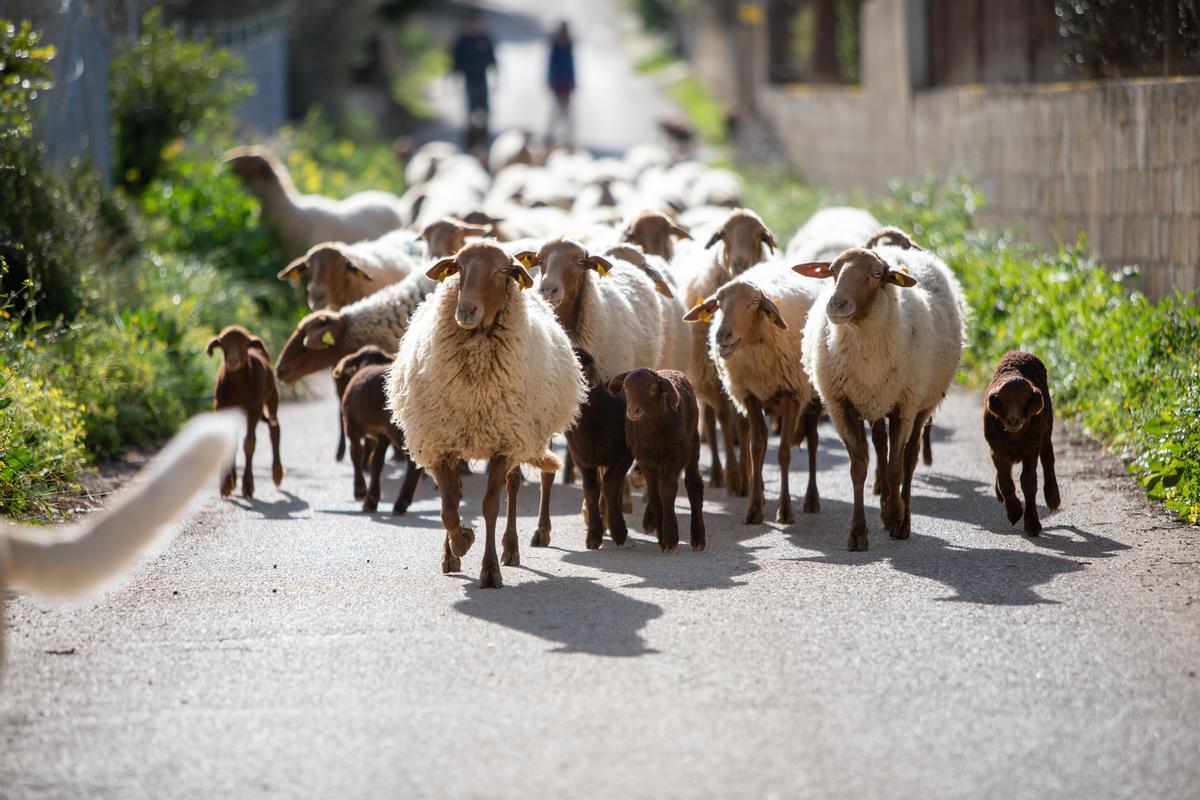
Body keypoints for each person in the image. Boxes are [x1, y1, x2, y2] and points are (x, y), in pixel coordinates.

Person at [452, 13, 497, 153]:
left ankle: (484, 138)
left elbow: (492, 58)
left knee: (484, 109)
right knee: (471, 110)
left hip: (482, 77)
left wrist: (496, 76)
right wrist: (454, 78)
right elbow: (456, 59)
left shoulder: (484, 39)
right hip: (469, 78)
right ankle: (469, 140)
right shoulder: (463, 40)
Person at [546, 21, 575, 147]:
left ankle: (567, 136)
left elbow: (572, 65)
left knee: (566, 110)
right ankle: (551, 134)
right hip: (558, 81)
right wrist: (551, 80)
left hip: (566, 82)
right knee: (555, 109)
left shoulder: (569, 45)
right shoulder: (555, 45)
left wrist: (573, 80)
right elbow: (551, 64)